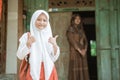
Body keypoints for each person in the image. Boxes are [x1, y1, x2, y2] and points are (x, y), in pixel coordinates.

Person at [17, 10, 60, 80]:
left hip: (48, 71)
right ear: (33, 20)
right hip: (32, 71)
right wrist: (28, 44)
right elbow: (19, 55)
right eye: (39, 19)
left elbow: (54, 58)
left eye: (44, 20)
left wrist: (55, 45)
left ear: (47, 22)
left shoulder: (49, 37)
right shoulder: (27, 36)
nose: (41, 22)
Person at [66, 13, 89, 80]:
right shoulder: (70, 29)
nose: (78, 20)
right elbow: (72, 41)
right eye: (76, 18)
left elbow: (85, 40)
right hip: (75, 51)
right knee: (75, 70)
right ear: (73, 20)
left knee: (83, 69)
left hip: (82, 52)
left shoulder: (81, 30)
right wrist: (79, 50)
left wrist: (85, 49)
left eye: (79, 19)